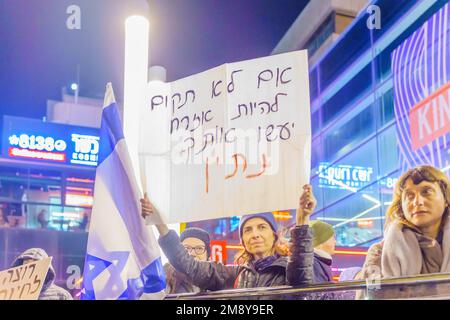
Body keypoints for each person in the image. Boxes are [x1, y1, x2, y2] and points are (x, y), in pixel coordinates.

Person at [141, 184, 316, 294]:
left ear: (274, 235)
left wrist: (302, 220)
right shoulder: (234, 275)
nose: (255, 234)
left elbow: (301, 276)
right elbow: (189, 266)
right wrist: (160, 224)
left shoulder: (288, 268)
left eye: (262, 227)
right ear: (243, 240)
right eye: (247, 230)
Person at [382, 165, 450, 278]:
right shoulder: (381, 251)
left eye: (426, 192)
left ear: (446, 199)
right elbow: (372, 291)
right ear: (401, 206)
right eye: (409, 195)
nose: (417, 202)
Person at [165, 227, 211, 294]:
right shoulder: (165, 278)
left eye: (199, 248)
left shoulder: (216, 281)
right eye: (187, 248)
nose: (192, 253)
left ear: (207, 254)